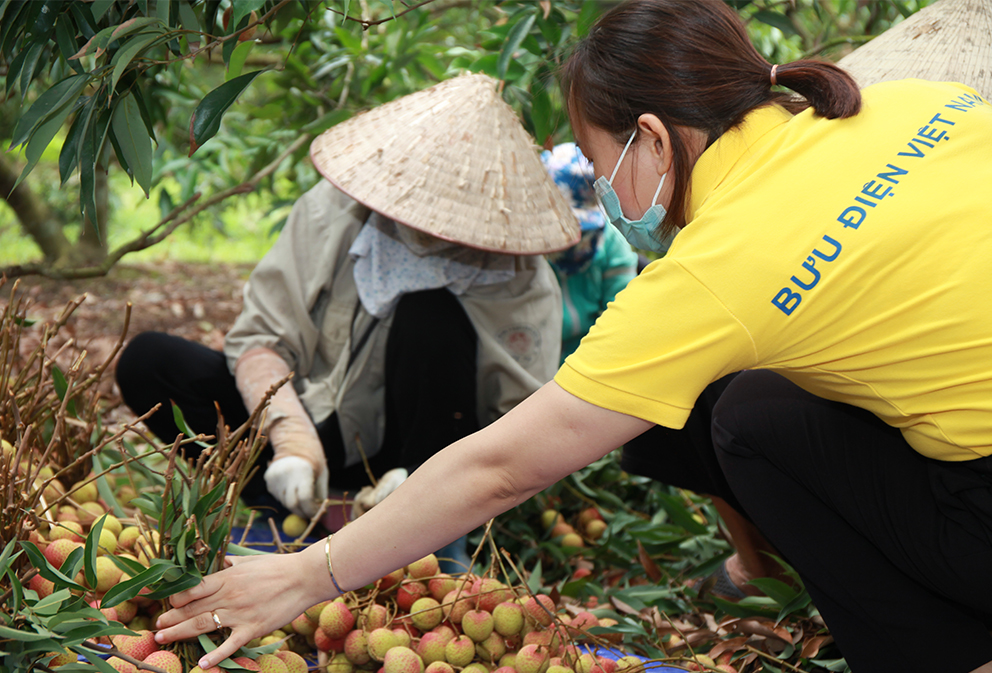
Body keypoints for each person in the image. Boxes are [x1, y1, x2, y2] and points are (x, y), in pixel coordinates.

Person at [153, 2, 992, 672]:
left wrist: (306, 577)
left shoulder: (712, 269)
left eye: (599, 161)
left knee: (742, 419)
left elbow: (500, 463)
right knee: (754, 405)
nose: (602, 186)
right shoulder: (914, 102)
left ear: (653, 139)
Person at [116, 74, 573, 543]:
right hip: (315, 421)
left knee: (431, 314)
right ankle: (288, 508)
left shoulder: (521, 280)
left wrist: (430, 479)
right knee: (151, 361)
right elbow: (261, 340)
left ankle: (417, 527)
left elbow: (522, 427)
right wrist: (291, 437)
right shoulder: (332, 213)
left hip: (423, 456)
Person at [540, 143, 639, 363]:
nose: (573, 237)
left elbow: (620, 323)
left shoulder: (612, 246)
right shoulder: (529, 246)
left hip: (590, 360)